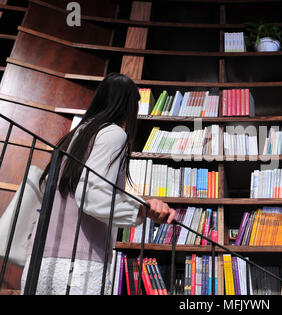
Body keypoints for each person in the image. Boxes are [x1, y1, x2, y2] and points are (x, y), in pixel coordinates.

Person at [20, 73, 176, 295]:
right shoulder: (114, 134)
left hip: (39, 260)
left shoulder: (74, 136)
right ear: (129, 107)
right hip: (79, 265)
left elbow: (50, 189)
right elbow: (92, 195)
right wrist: (142, 211)